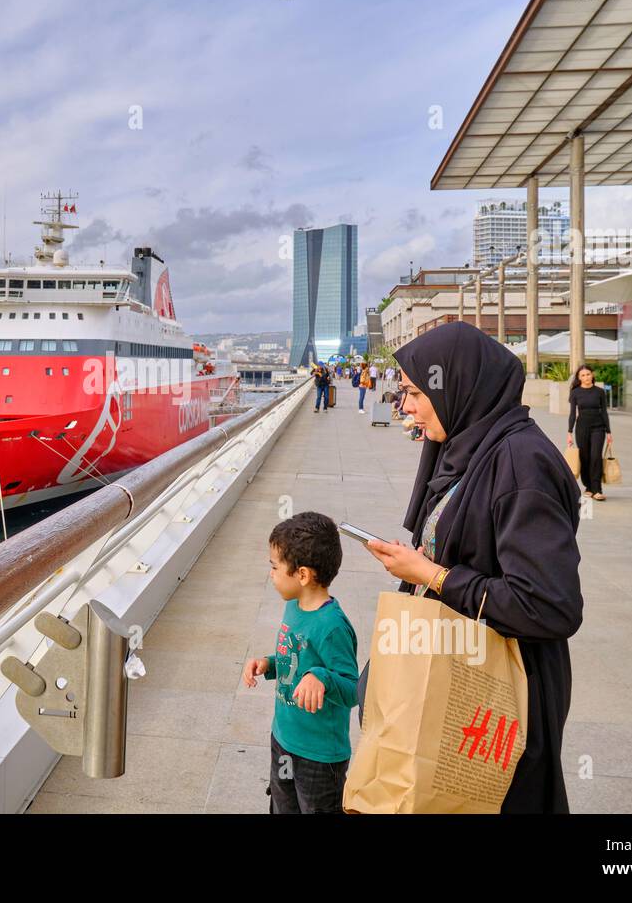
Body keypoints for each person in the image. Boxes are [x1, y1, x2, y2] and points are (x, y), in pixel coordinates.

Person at [362, 321, 582, 814]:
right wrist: (418, 562)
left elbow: (548, 606)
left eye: (415, 392)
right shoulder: (470, 449)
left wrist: (433, 576)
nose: (406, 407)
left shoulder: (523, 464)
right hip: (457, 673)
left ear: (458, 385)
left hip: (501, 689)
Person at [242, 512, 359, 814]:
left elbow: (353, 689)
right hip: (283, 739)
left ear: (303, 575)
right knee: (282, 807)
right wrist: (268, 664)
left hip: (319, 758)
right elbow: (293, 658)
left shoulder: (332, 626)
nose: (271, 573)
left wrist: (321, 677)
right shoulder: (294, 607)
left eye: (275, 566)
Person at [567, 365, 611, 501]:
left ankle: (597, 489)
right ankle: (588, 487)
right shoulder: (575, 393)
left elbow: (604, 412)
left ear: (592, 375)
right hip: (582, 428)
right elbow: (573, 414)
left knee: (595, 457)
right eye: (583, 375)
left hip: (599, 428)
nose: (586, 377)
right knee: (584, 458)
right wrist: (569, 432)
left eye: (588, 374)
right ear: (579, 378)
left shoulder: (599, 392)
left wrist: (609, 432)